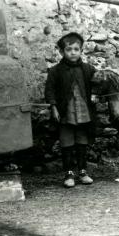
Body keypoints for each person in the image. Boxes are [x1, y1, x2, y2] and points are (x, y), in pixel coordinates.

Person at [45, 32, 97, 188]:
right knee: (66, 142)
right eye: (69, 49)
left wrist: (97, 94)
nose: (73, 52)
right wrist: (53, 107)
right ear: (62, 52)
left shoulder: (88, 69)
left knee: (82, 140)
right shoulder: (55, 71)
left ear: (81, 50)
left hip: (83, 112)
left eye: (76, 49)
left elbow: (97, 86)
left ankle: (82, 171)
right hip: (65, 113)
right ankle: (68, 173)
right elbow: (50, 91)